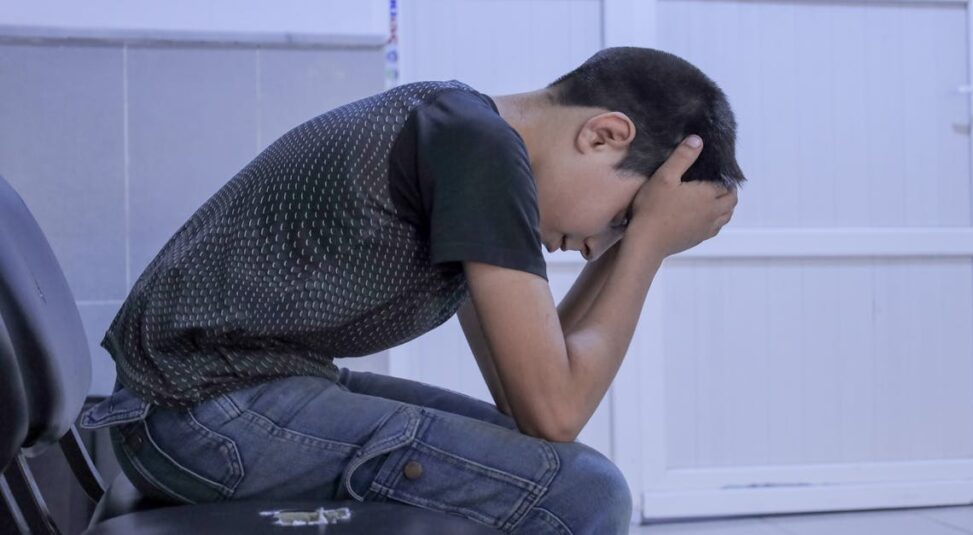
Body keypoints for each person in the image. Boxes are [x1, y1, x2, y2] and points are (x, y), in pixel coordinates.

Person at [79, 46, 744, 534]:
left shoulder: (467, 135)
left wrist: (635, 235)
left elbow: (528, 390)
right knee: (584, 494)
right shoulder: (477, 151)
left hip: (211, 400)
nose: (598, 243)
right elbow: (556, 407)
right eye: (620, 219)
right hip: (199, 415)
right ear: (603, 134)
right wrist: (651, 244)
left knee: (555, 469)